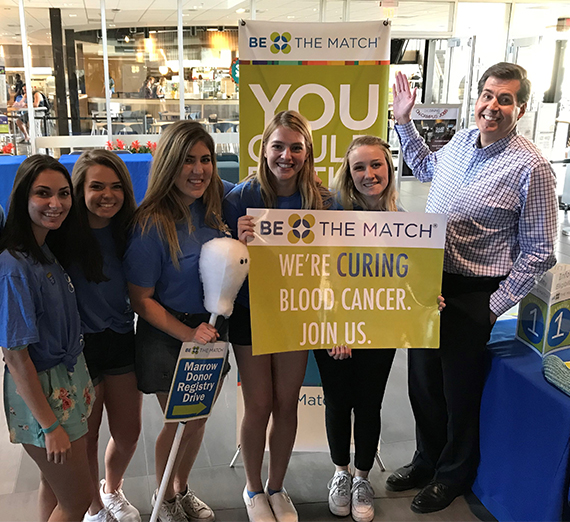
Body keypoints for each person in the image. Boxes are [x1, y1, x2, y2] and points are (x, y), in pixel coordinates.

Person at [386, 62, 558, 514]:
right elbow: (424, 167)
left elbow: (541, 250)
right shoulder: (461, 140)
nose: (493, 106)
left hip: (475, 291)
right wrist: (403, 122)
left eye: (505, 99)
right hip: (429, 280)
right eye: (488, 95)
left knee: (457, 391)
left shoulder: (532, 168)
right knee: (422, 382)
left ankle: (452, 475)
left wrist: (493, 306)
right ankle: (426, 459)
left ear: (521, 109)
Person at [223, 110, 334, 522]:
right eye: (278, 146)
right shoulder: (239, 197)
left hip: (297, 314)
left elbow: (345, 258)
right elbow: (221, 259)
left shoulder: (324, 201)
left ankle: (276, 486)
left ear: (307, 153)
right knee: (259, 404)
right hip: (252, 313)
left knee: (288, 403)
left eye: (295, 147)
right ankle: (253, 488)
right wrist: (238, 241)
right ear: (263, 148)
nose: (286, 155)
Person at [124, 120, 228, 522]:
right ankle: (163, 496)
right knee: (179, 420)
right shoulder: (151, 224)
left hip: (211, 331)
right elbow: (141, 300)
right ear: (169, 163)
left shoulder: (214, 210)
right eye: (188, 160)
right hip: (171, 335)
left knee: (198, 420)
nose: (199, 169)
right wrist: (188, 334)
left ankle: (181, 488)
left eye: (205, 159)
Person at [0, 154, 94, 521]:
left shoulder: (44, 250)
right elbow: (15, 355)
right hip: (43, 394)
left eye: (63, 194)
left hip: (64, 382)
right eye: (43, 194)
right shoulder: (14, 267)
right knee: (76, 501)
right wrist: (50, 426)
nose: (56, 204)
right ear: (23, 197)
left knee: (53, 487)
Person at [69, 150, 142, 522]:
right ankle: (93, 507)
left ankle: (110, 488)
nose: (107, 195)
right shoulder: (62, 235)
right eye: (96, 186)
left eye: (115, 187)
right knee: (87, 436)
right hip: (78, 348)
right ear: (79, 188)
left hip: (120, 338)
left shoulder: (130, 230)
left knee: (129, 432)